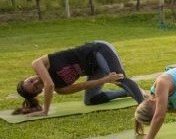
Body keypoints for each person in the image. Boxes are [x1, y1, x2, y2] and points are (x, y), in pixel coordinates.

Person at [14, 41, 145, 116]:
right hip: (94, 69)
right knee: (90, 100)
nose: (36, 81)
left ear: (28, 76)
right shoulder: (61, 89)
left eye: (31, 80)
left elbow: (49, 85)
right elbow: (83, 86)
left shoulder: (38, 63)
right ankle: (129, 91)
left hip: (97, 50)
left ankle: (145, 105)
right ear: (40, 91)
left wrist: (45, 111)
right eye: (36, 87)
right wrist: (104, 80)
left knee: (119, 78)